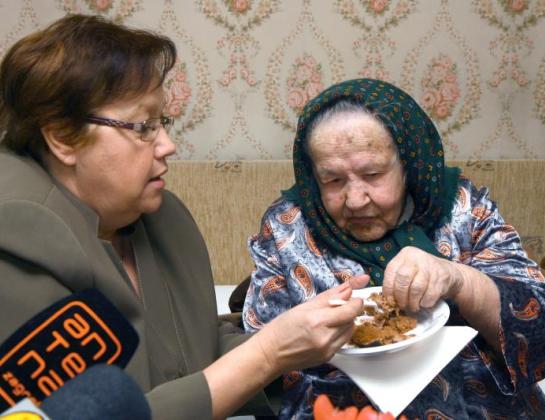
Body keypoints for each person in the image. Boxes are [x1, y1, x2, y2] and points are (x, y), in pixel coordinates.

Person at [0, 15, 368, 420]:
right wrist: (269, 353)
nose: (167, 145)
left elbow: (194, 353)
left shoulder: (161, 217)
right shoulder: (17, 234)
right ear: (62, 138)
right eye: (143, 127)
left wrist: (314, 338)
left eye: (163, 123)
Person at [242, 78, 545, 418]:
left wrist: (459, 279)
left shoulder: (464, 209)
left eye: (373, 174)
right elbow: (259, 360)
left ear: (408, 166)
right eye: (332, 180)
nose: (355, 200)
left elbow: (541, 327)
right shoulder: (286, 227)